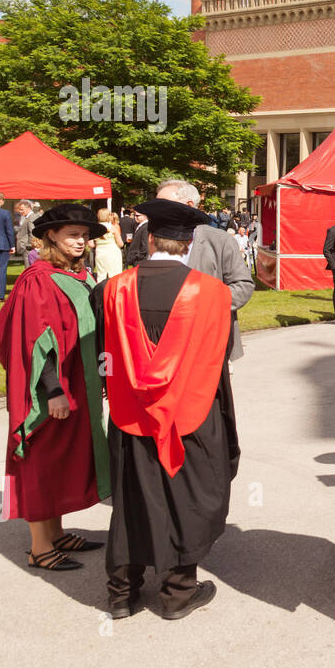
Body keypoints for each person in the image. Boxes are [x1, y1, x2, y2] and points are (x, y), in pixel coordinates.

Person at [92, 198, 237, 620]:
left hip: (130, 413)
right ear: (189, 243)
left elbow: (105, 355)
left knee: (133, 498)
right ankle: (177, 594)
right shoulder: (212, 293)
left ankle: (122, 592)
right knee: (184, 496)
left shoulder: (111, 289)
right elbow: (219, 355)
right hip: (191, 412)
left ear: (149, 237)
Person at [0, 204, 111, 571]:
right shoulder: (38, 279)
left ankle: (57, 532)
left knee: (64, 457)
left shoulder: (76, 275)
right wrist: (53, 390)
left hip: (79, 383)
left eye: (85, 235)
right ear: (51, 236)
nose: (82, 241)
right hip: (53, 390)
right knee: (43, 458)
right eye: (73, 234)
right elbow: (35, 340)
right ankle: (39, 547)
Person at [125, 180, 254, 360]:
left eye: (164, 204)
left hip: (209, 345)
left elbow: (243, 285)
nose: (157, 211)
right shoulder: (151, 235)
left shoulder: (219, 240)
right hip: (159, 345)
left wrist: (204, 303)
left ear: (189, 205)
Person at [93, 209, 125, 279]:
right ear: (108, 216)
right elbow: (120, 244)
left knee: (101, 274)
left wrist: (99, 244)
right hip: (113, 252)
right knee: (115, 274)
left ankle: (101, 289)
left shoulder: (94, 228)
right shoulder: (113, 227)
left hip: (100, 252)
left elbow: (91, 244)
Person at [12, 200, 36, 268]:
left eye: (22, 209)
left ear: (28, 208)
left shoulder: (31, 218)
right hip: (26, 247)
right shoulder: (27, 218)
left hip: (28, 248)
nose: (20, 211)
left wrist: (29, 246)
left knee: (29, 268)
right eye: (19, 210)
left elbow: (32, 233)